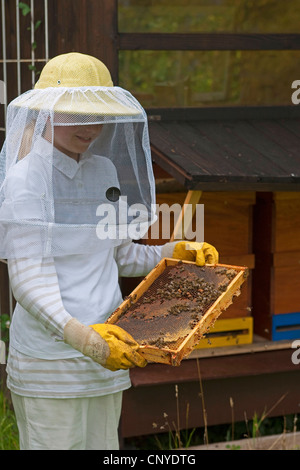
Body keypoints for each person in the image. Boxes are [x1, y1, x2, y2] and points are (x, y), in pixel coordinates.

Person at [0, 52, 218, 450]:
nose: (91, 127)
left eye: (97, 114)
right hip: (51, 361)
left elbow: (120, 255)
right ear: (46, 112)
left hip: (110, 352)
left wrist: (175, 252)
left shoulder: (103, 171)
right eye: (77, 115)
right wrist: (83, 338)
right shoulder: (25, 180)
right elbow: (28, 281)